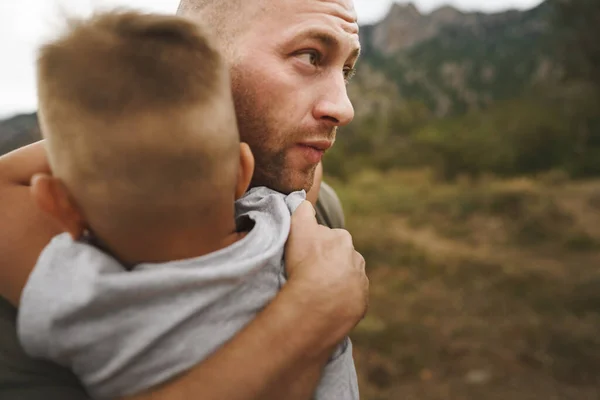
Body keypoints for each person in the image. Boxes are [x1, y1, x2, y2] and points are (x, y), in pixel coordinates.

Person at [0, 0, 366, 399]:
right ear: (208, 65)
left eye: (346, 70)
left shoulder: (313, 203)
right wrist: (315, 309)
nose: (343, 108)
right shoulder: (14, 333)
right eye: (310, 56)